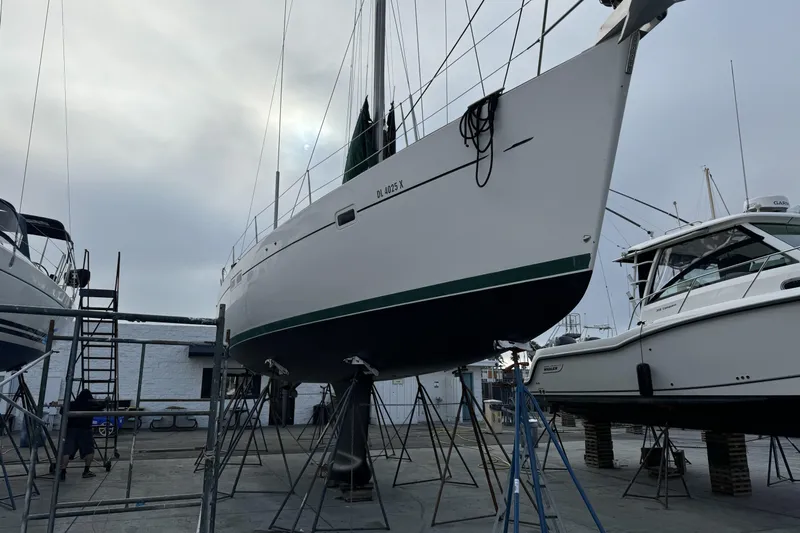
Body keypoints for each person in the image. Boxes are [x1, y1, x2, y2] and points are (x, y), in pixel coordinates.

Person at [60, 389, 103, 480]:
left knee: (66, 451)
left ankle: (62, 471)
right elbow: (100, 408)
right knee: (89, 451)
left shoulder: (72, 404)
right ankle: (86, 471)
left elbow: (61, 411)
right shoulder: (90, 405)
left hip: (71, 430)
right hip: (85, 430)